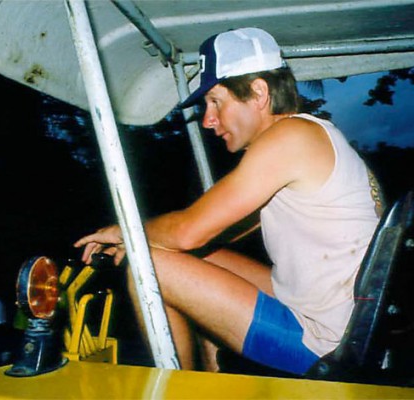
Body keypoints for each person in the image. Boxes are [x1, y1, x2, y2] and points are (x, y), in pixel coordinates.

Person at [74, 28, 383, 375]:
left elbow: (188, 230)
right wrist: (147, 241)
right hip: (336, 314)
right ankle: (212, 373)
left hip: (328, 342)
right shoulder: (309, 137)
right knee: (187, 256)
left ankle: (179, 391)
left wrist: (126, 234)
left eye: (216, 101)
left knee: (151, 268)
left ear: (259, 93)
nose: (207, 120)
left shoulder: (289, 138)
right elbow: (209, 236)